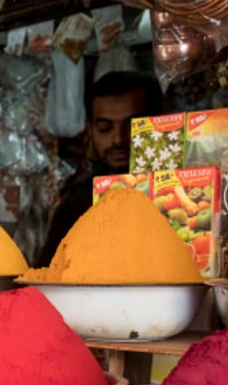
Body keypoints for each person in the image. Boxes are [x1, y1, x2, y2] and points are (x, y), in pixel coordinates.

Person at [34, 71, 164, 267]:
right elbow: (47, 272)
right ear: (90, 131)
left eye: (132, 126)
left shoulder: (184, 188)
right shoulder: (78, 198)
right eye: (105, 128)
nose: (118, 139)